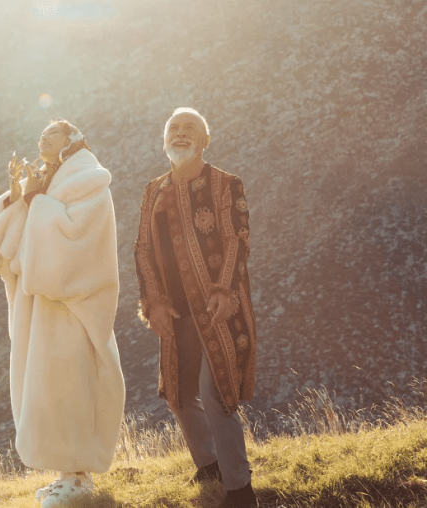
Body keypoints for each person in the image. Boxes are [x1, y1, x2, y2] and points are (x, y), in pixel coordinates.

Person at [0, 120, 125, 507]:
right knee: (46, 389)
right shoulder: (44, 183)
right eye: (41, 134)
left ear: (72, 140)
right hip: (39, 312)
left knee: (72, 384)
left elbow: (78, 241)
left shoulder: (89, 181)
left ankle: (80, 477)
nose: (42, 138)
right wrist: (15, 195)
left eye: (51, 133)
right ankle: (65, 474)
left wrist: (35, 201)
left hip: (72, 308)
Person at [134, 107, 258, 508]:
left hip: (219, 310)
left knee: (216, 392)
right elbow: (143, 249)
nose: (181, 133)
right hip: (176, 312)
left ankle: (240, 490)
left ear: (206, 141)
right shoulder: (153, 190)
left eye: (191, 128)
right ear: (164, 139)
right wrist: (153, 302)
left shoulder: (226, 184)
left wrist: (224, 290)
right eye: (173, 127)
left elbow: (237, 239)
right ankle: (209, 465)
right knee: (179, 393)